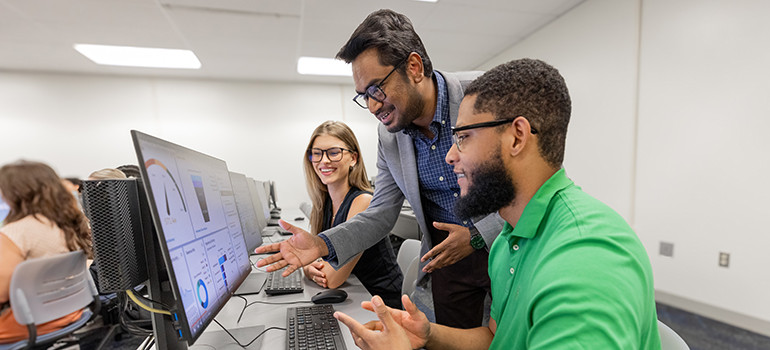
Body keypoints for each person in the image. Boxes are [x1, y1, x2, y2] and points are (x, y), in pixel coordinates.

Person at [333, 58, 662, 349]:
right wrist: (427, 335)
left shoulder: (586, 258)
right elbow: (496, 338)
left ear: (517, 137)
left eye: (463, 138)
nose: (449, 156)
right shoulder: (508, 237)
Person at [256, 9, 504, 328]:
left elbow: (534, 184)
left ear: (413, 67)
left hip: (508, 252)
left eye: (376, 89)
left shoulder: (485, 95)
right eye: (364, 96)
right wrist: (321, 244)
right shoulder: (390, 136)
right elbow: (381, 213)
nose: (372, 106)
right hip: (449, 267)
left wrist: (475, 236)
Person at [301, 121, 403, 309]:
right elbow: (316, 262)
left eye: (333, 152)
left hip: (381, 307)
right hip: (356, 298)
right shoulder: (323, 205)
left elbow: (332, 279)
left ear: (353, 158)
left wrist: (308, 267)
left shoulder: (362, 202)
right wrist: (307, 268)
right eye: (317, 153)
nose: (324, 161)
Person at [0, 160, 94, 343]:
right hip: (70, 312)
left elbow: (1, 294)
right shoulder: (69, 224)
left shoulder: (16, 233)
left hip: (30, 322)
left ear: (17, 193)